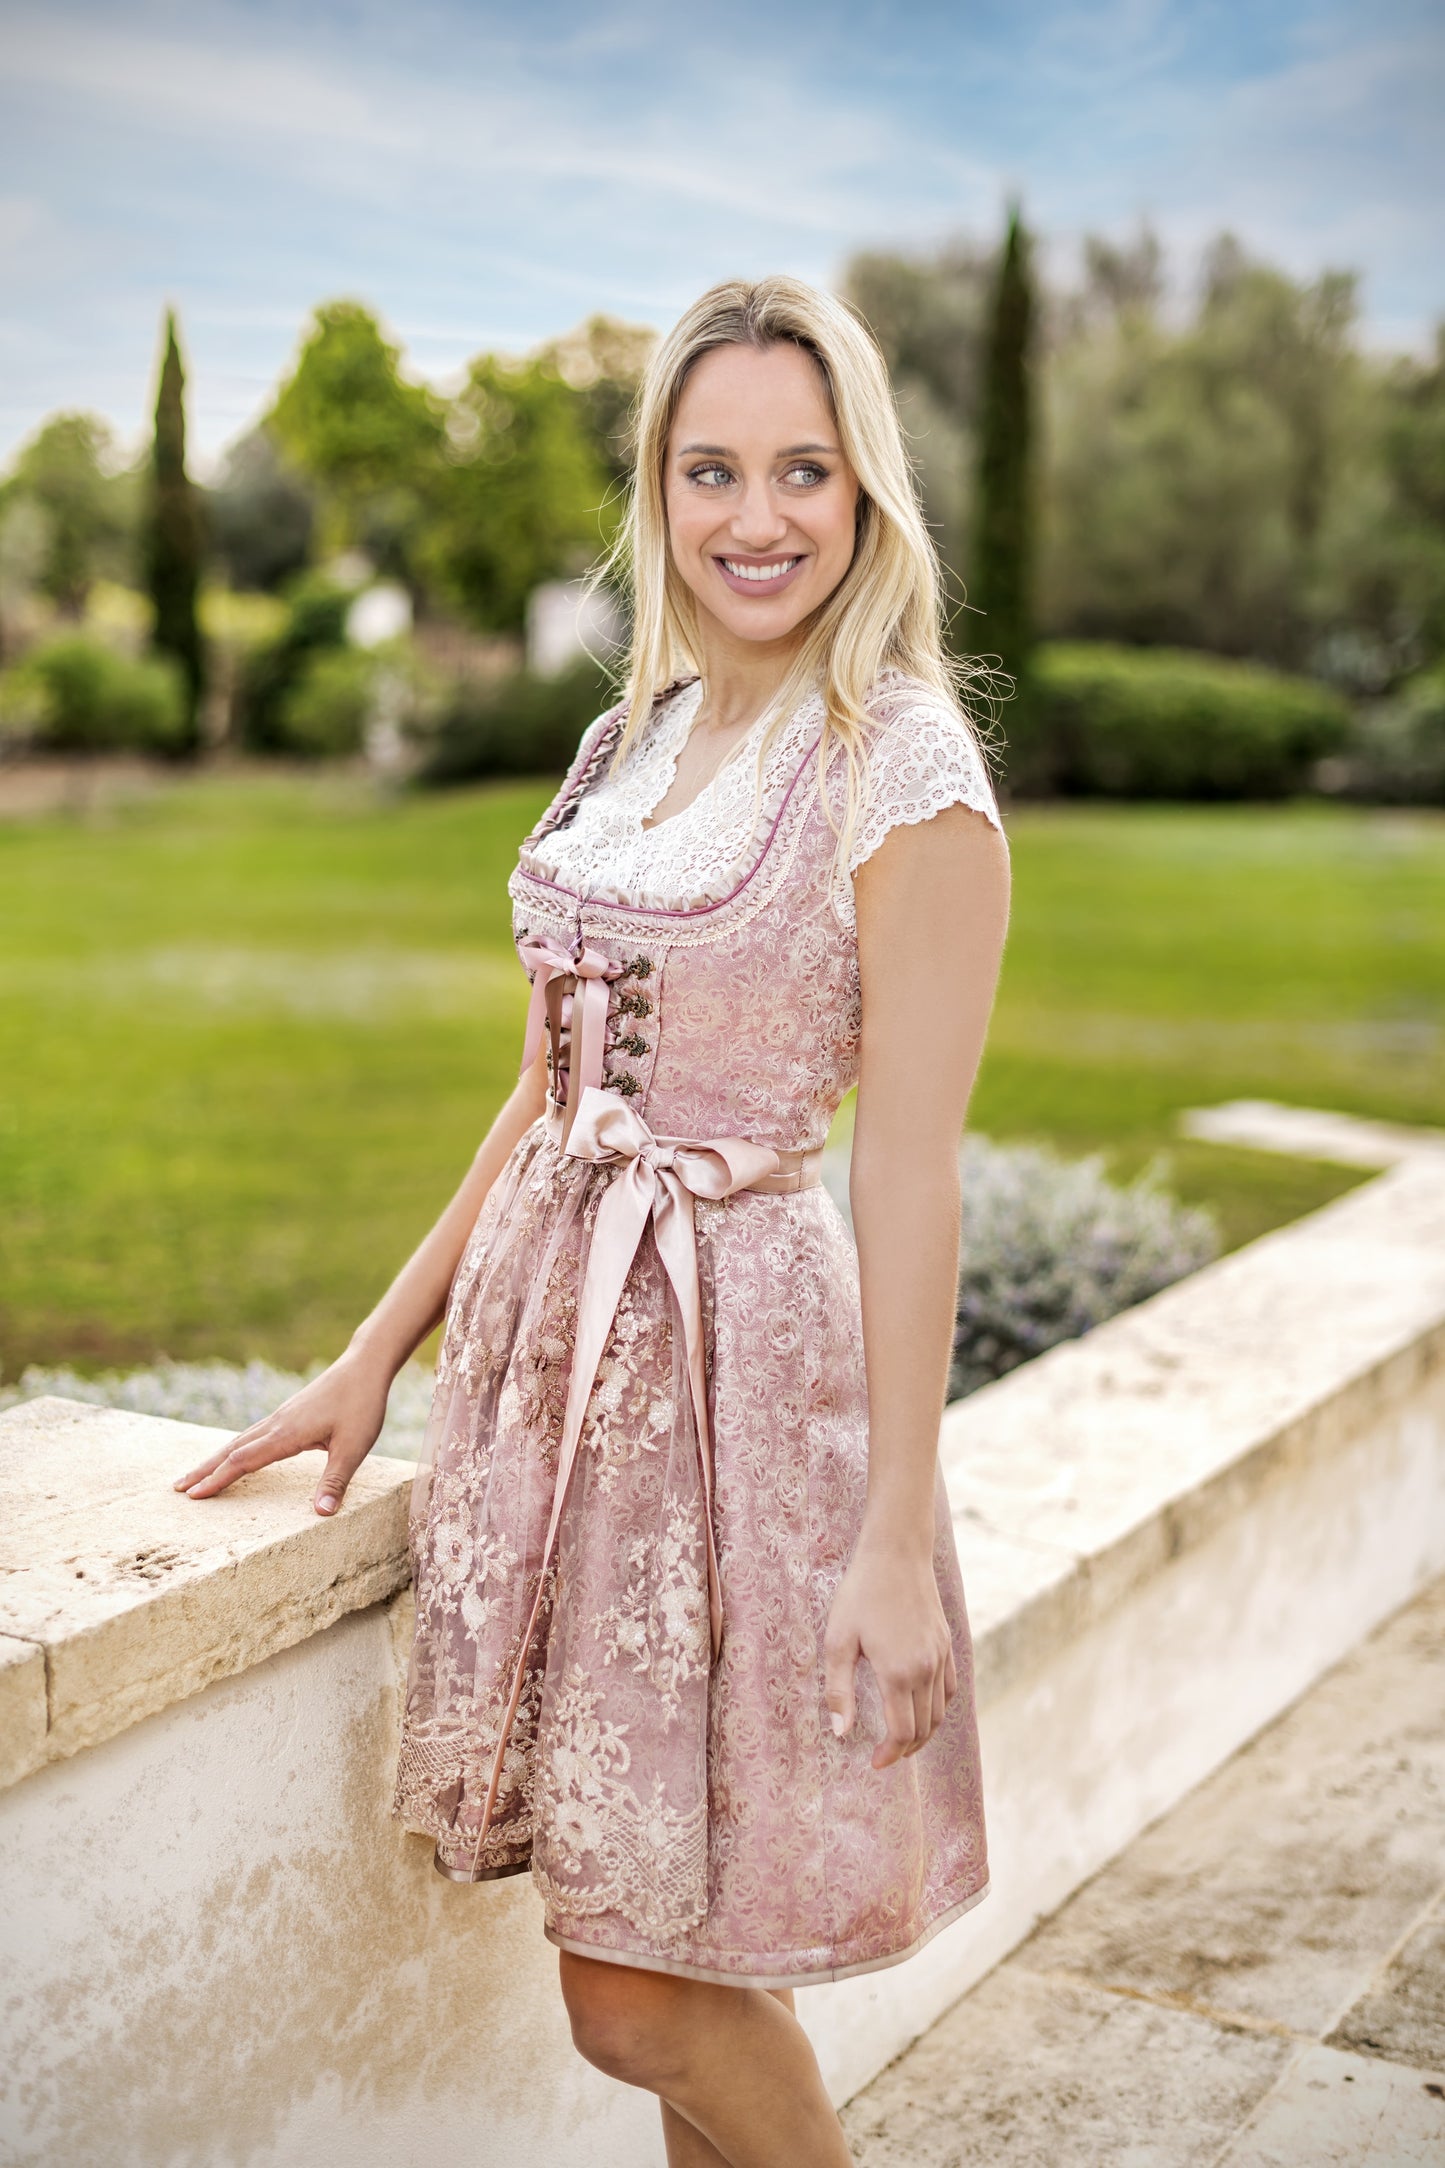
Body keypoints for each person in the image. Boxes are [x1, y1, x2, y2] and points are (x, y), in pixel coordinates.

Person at [177, 274, 1011, 2168]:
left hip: (745, 1397)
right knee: (692, 1947)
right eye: (710, 468)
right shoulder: (629, 740)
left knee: (633, 1988)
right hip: (562, 1386)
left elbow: (910, 1166)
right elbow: (549, 1095)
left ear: (867, 490)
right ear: (656, 489)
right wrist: (374, 1353)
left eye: (804, 468)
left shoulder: (901, 766)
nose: (756, 515)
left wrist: (893, 1534)